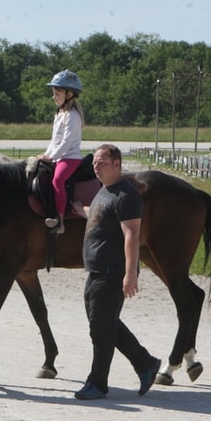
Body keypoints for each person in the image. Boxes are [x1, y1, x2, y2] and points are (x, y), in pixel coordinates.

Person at [71, 144, 161, 400]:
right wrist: (81, 209)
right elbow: (100, 214)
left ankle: (98, 383)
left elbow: (131, 235)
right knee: (104, 322)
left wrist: (130, 273)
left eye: (101, 163)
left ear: (117, 164)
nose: (96, 167)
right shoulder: (105, 191)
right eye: (95, 163)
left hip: (112, 271)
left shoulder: (126, 195)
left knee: (100, 328)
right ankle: (145, 363)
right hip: (96, 270)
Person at [38, 69, 84, 235]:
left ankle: (60, 221)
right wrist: (45, 155)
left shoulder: (72, 116)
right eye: (53, 93)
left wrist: (51, 157)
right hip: (59, 157)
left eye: (57, 93)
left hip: (70, 158)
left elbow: (66, 143)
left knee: (58, 180)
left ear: (69, 94)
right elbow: (54, 141)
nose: (54, 97)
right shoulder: (59, 114)